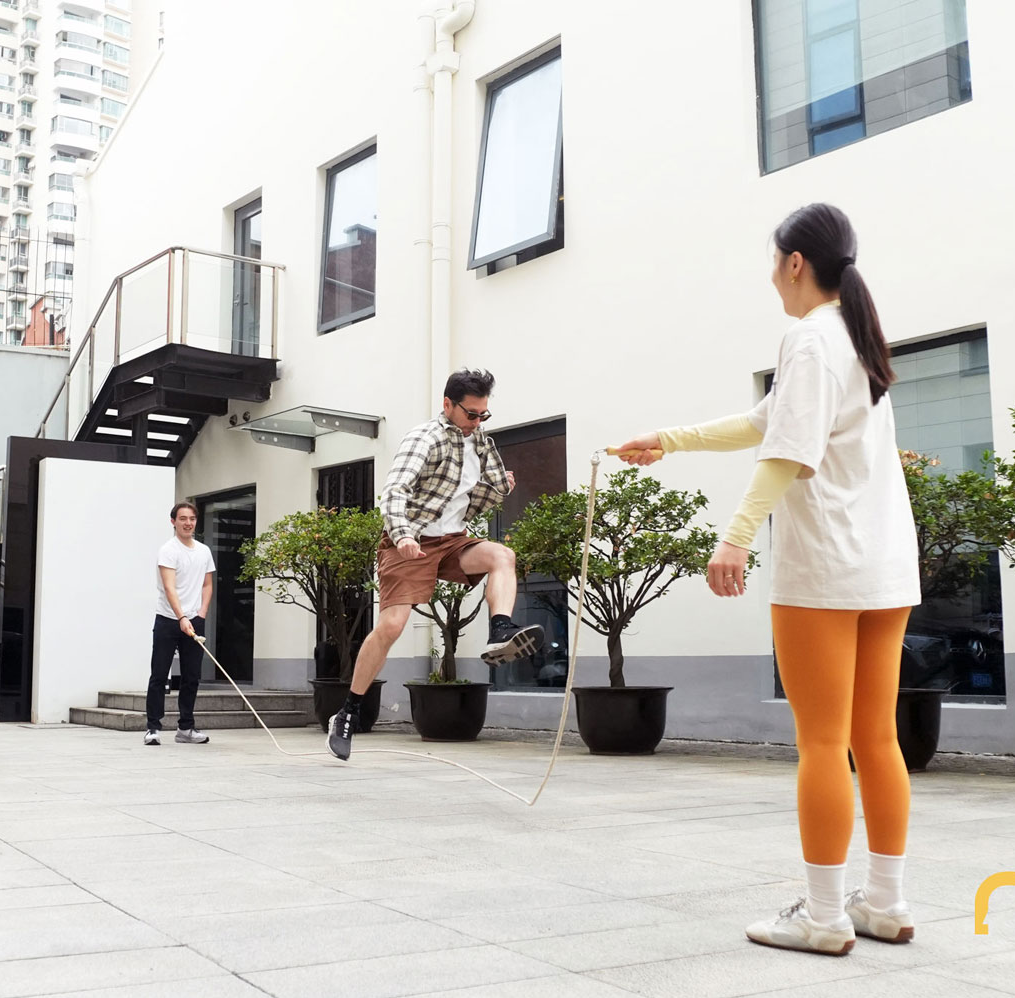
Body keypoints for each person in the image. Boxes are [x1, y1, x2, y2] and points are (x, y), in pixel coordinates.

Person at [615, 203, 920, 956]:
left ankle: (822, 916)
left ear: (793, 262)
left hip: (825, 569)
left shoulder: (810, 338)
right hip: (884, 565)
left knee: (822, 743)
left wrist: (735, 539)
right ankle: (884, 902)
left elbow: (785, 454)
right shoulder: (853, 338)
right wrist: (670, 440)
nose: (770, 278)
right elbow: (765, 422)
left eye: (772, 262)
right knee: (875, 739)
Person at [326, 368, 542, 761]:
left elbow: (484, 490)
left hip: (453, 540)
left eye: (483, 415)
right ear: (447, 405)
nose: (476, 422)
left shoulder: (480, 442)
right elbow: (395, 490)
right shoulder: (425, 438)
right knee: (391, 627)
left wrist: (502, 486)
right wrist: (403, 534)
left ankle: (500, 630)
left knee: (501, 555)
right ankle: (349, 711)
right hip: (410, 540)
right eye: (470, 414)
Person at [144, 502, 215, 747]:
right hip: (168, 619)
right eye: (183, 518)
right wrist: (181, 617)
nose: (188, 523)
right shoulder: (168, 550)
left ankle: (186, 727)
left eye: (192, 519)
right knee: (159, 675)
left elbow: (207, 585)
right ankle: (153, 727)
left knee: (192, 676)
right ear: (173, 521)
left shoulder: (204, 551)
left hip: (194, 620)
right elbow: (169, 587)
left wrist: (200, 614)